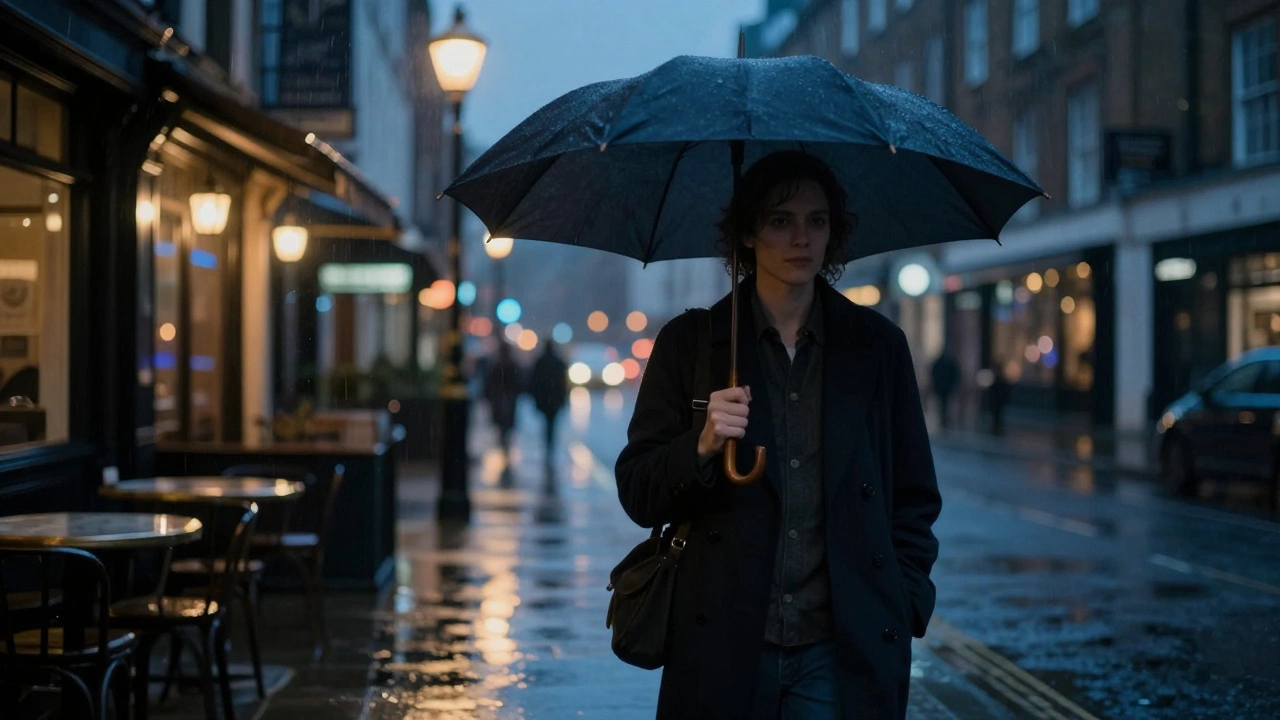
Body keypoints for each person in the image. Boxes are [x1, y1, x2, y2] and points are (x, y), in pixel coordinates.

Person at [615, 150, 942, 720]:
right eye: (780, 220)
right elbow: (638, 492)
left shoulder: (877, 347)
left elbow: (914, 496)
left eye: (817, 220)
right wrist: (701, 445)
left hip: (841, 649)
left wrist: (903, 598)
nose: (801, 238)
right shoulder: (692, 344)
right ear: (747, 233)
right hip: (724, 642)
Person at [530, 340, 570, 468]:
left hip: (545, 399)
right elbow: (563, 383)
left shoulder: (540, 362)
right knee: (551, 424)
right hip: (554, 400)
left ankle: (548, 446)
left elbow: (534, 382)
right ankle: (550, 447)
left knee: (547, 424)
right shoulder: (558, 362)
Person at [484, 340, 522, 456]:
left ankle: (503, 439)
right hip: (507, 397)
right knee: (505, 421)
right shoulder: (510, 365)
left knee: (502, 421)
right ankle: (504, 440)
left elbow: (489, 383)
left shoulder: (496, 364)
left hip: (500, 397)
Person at [929, 349, 960, 429]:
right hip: (944, 387)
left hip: (943, 387)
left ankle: (945, 420)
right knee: (944, 404)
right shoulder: (948, 363)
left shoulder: (941, 363)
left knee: (944, 404)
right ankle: (944, 420)